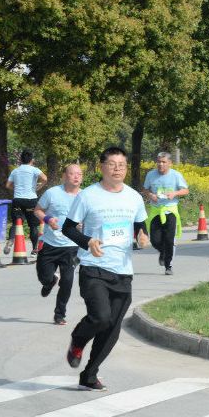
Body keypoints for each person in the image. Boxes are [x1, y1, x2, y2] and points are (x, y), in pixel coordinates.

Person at [62, 146, 148, 391]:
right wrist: (87, 241)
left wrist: (143, 237)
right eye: (112, 164)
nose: (117, 169)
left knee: (112, 328)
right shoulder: (87, 196)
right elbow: (68, 228)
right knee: (100, 317)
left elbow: (140, 226)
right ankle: (78, 338)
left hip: (122, 270)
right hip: (93, 267)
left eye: (122, 164)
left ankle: (89, 374)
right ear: (102, 167)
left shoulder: (134, 197)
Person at [33, 164, 83, 325]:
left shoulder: (85, 196)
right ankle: (50, 282)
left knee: (67, 282)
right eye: (72, 174)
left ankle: (59, 314)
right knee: (44, 277)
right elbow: (38, 210)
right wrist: (48, 219)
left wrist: (85, 225)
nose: (76, 177)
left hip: (71, 246)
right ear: (64, 176)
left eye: (79, 174)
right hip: (50, 243)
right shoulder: (52, 193)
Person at [142, 152, 188, 275]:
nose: (160, 164)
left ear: (170, 163)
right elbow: (145, 189)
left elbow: (185, 190)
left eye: (163, 162)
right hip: (156, 210)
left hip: (170, 210)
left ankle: (168, 266)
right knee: (155, 240)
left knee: (169, 239)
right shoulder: (151, 175)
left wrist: (174, 194)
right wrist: (151, 195)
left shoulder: (176, 175)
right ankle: (163, 252)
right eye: (159, 162)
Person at [5, 151, 47, 255]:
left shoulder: (15, 171)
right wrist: (38, 188)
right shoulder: (34, 170)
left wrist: (16, 189)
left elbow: (8, 185)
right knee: (33, 226)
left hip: (18, 200)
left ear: (20, 160)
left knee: (16, 222)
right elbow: (45, 179)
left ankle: (10, 241)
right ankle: (34, 249)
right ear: (32, 160)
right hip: (31, 200)